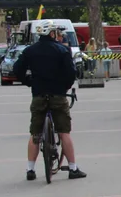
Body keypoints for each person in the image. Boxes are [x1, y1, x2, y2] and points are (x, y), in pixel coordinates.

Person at [13, 21, 86, 180]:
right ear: (52, 33)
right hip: (58, 95)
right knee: (64, 132)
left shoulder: (29, 51)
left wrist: (29, 82)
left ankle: (30, 170)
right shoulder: (62, 50)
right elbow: (71, 73)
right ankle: (73, 168)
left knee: (35, 133)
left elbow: (16, 69)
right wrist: (64, 87)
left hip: (38, 94)